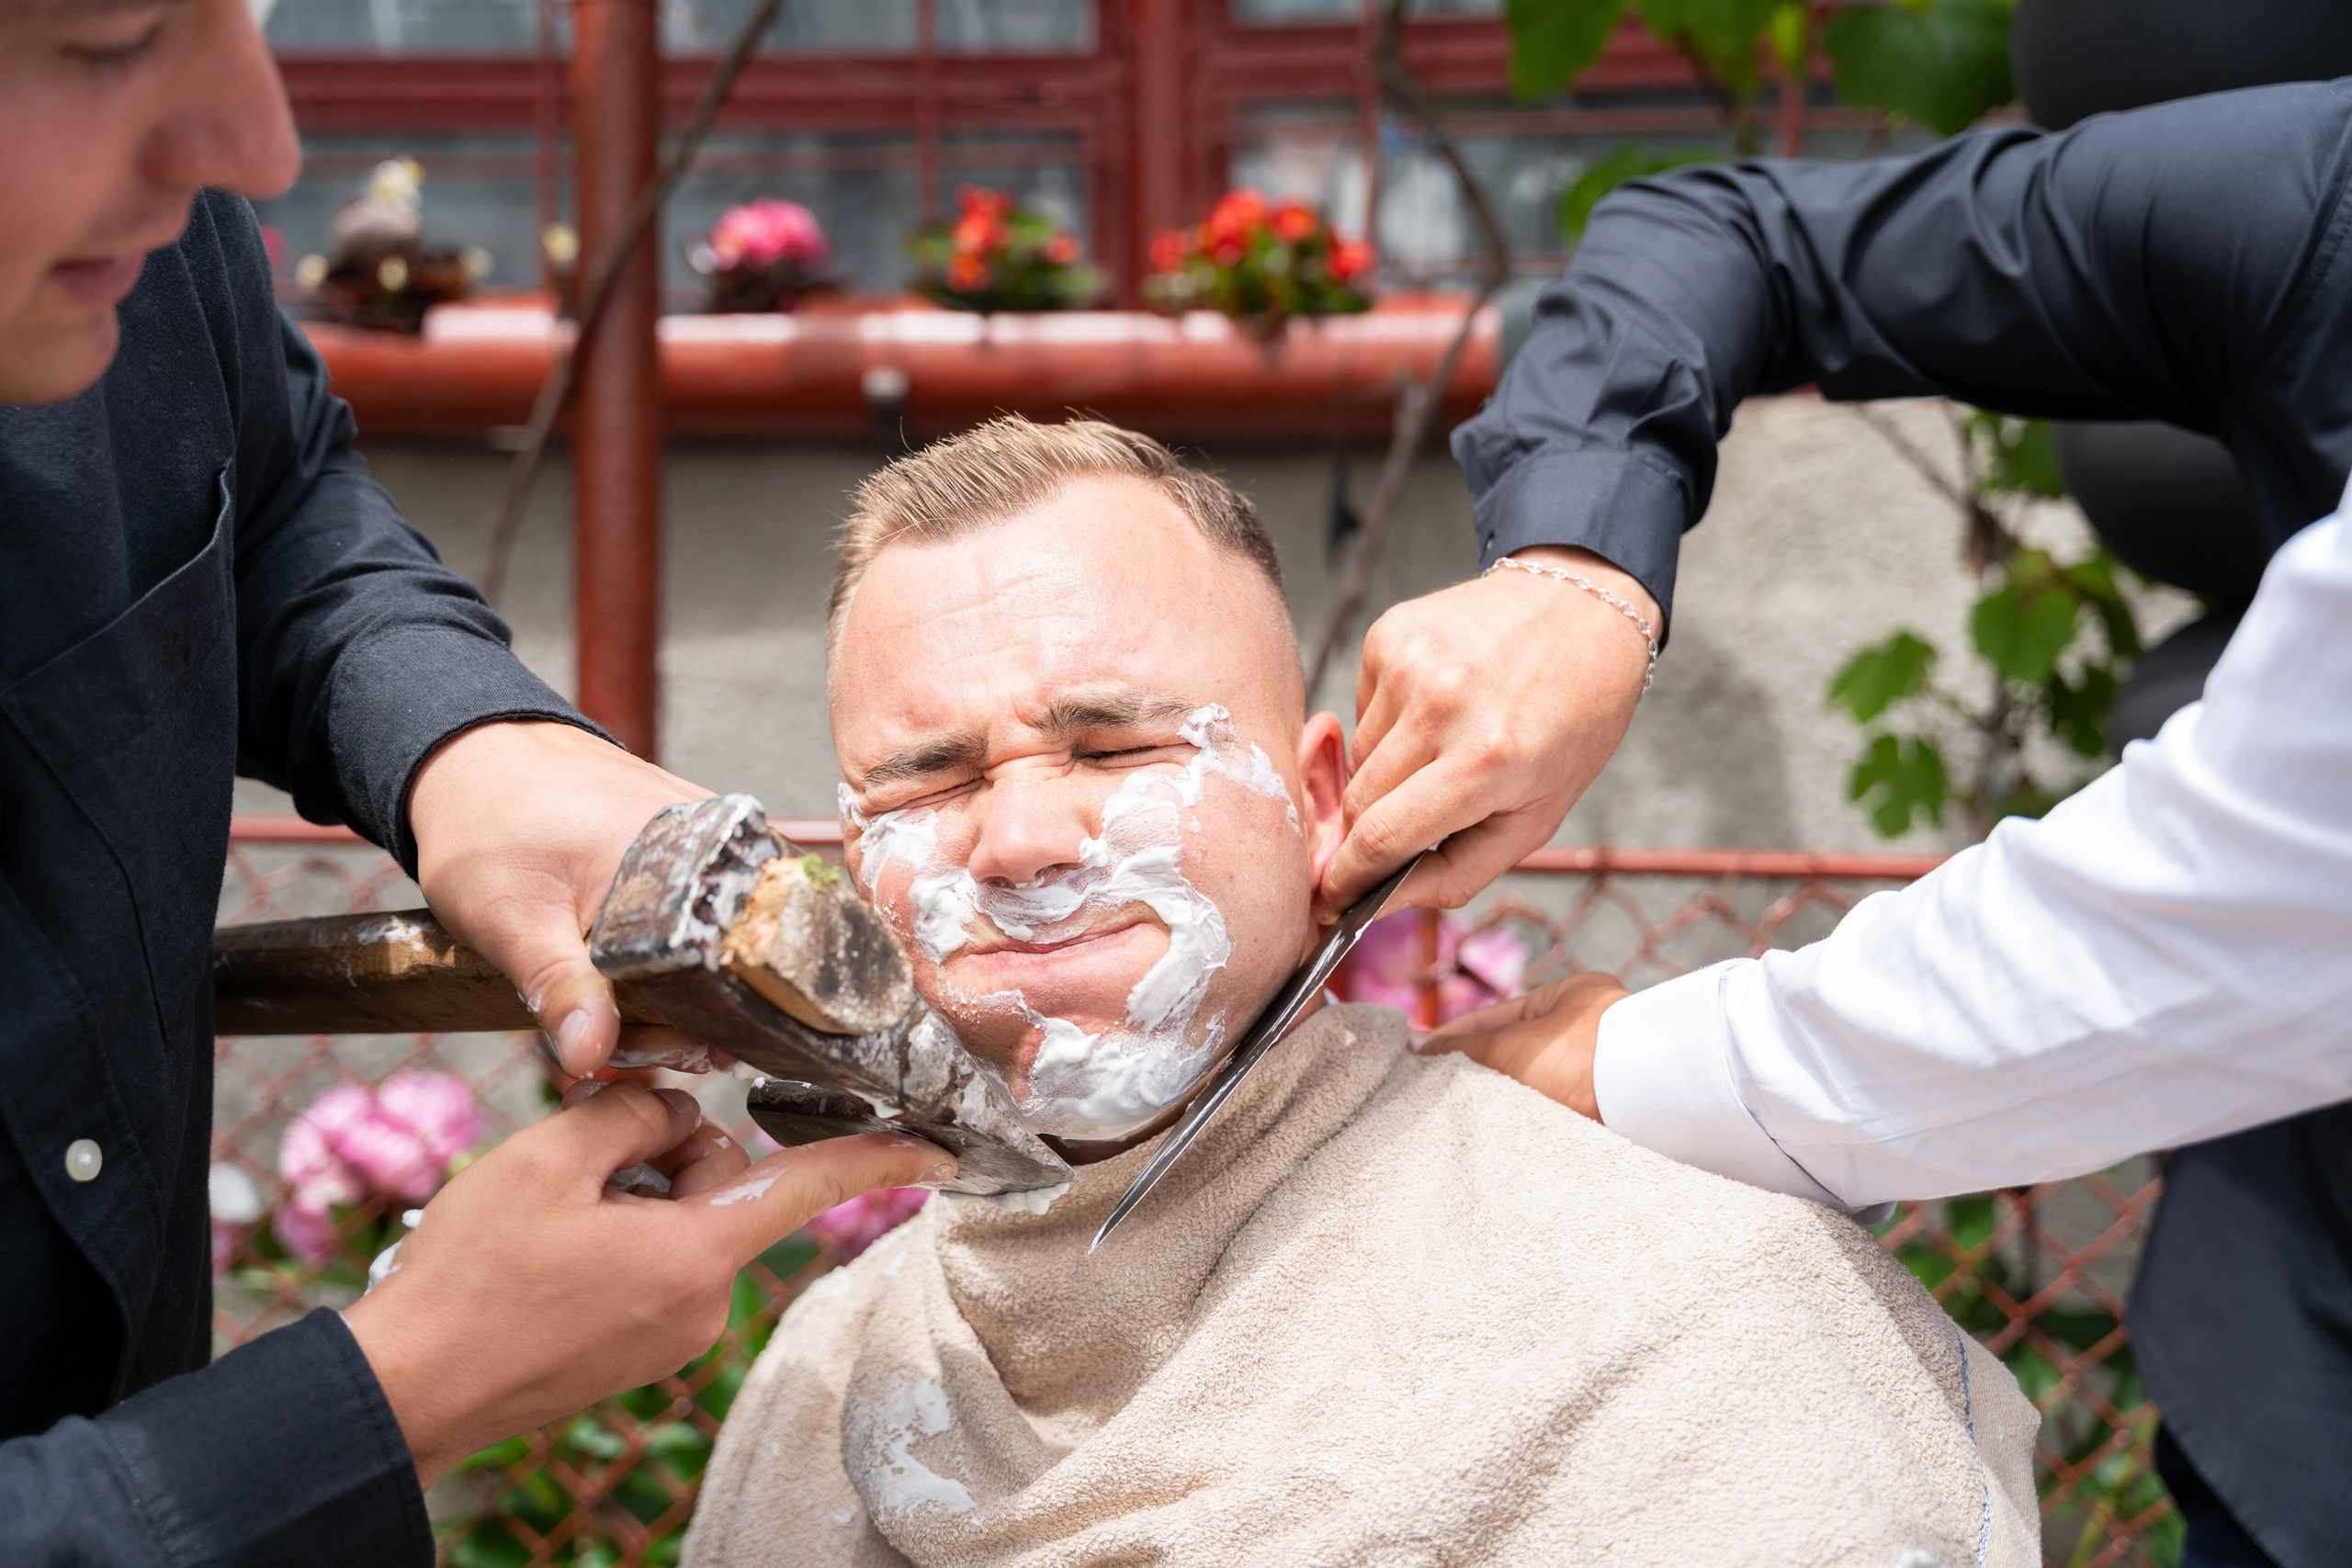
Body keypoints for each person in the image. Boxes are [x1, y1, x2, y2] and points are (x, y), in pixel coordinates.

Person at [682, 416, 2041, 1568]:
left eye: (1115, 745)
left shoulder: (1686, 1308)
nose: (1024, 841)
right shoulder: (824, 1373)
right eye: (933, 778)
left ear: (1323, 802)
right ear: (856, 851)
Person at [1330, 81, 2352, 1568]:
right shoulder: (2310, 194)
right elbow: (1732, 231)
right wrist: (1574, 564)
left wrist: (1632, 1073)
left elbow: (2253, 893)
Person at [0, 0, 946, 1558]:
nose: (260, 148)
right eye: (110, 40)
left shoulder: (134, 253)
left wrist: (470, 742)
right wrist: (395, 1392)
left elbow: (280, 494)